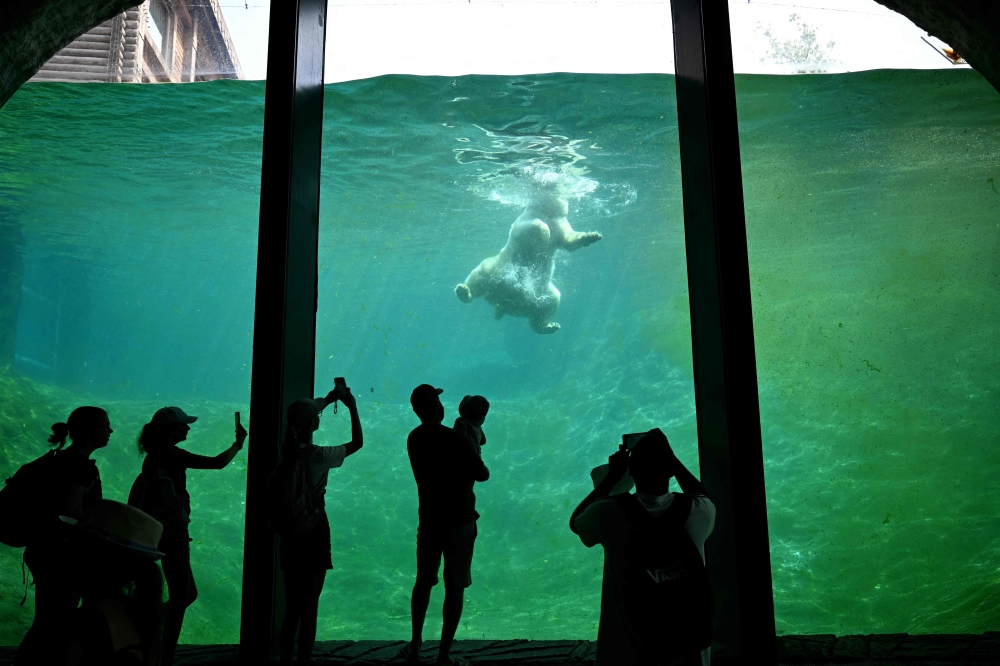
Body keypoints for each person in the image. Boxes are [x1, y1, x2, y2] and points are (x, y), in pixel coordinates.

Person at [570, 429, 716, 666]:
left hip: (628, 652)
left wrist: (612, 477)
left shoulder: (607, 512)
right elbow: (705, 498)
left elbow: (576, 522)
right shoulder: (698, 512)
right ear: (670, 469)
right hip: (687, 648)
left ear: (631, 470)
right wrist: (673, 460)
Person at [128, 406, 247, 665]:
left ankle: (150, 619)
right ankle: (164, 654)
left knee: (186, 594)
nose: (188, 428)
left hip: (157, 529)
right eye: (183, 424)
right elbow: (217, 463)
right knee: (182, 596)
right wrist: (238, 444)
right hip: (173, 532)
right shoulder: (172, 455)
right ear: (171, 430)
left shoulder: (154, 455)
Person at [15, 406, 112, 666]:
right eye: (104, 426)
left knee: (48, 621)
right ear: (88, 432)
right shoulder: (80, 466)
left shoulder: (61, 458)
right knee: (56, 623)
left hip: (43, 549)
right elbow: (70, 511)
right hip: (61, 555)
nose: (110, 430)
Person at [276, 383, 364, 666]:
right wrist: (351, 406)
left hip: (290, 530)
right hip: (314, 531)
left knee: (291, 609)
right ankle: (303, 663)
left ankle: (286, 661)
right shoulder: (320, 456)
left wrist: (327, 399)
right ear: (313, 422)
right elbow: (357, 442)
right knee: (309, 608)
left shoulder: (286, 448)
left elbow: (302, 415)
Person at [402, 385, 490, 666]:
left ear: (416, 410)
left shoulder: (413, 439)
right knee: (454, 588)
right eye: (439, 401)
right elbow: (482, 473)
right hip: (459, 521)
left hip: (429, 521)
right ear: (438, 408)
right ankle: (443, 655)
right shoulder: (456, 439)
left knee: (423, 582)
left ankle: (415, 647)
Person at [62, 499, 166, 666]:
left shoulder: (80, 627)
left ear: (92, 557)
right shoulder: (138, 615)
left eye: (74, 543)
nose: (64, 550)